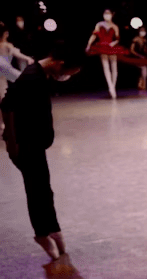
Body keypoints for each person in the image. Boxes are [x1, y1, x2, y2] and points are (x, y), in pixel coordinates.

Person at [1, 40, 83, 262]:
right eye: (68, 72)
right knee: (37, 191)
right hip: (24, 144)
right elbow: (6, 105)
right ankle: (42, 233)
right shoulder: (32, 77)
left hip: (33, 143)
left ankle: (52, 228)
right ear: (59, 64)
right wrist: (12, 144)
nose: (67, 77)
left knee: (43, 189)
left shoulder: (40, 73)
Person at [85, 9, 131, 99]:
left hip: (111, 46)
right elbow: (94, 35)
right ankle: (111, 88)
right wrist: (88, 44)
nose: (106, 15)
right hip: (102, 46)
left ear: (112, 15)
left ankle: (113, 87)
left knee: (114, 67)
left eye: (108, 13)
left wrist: (113, 43)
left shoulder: (115, 26)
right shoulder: (99, 24)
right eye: (105, 13)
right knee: (106, 67)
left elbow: (117, 38)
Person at [129, 26, 147, 90]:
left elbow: (145, 50)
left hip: (143, 57)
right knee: (143, 70)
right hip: (136, 56)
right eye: (141, 31)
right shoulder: (135, 39)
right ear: (139, 31)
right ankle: (142, 84)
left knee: (144, 71)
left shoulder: (145, 40)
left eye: (144, 31)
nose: (142, 32)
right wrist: (139, 55)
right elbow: (131, 50)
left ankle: (142, 85)